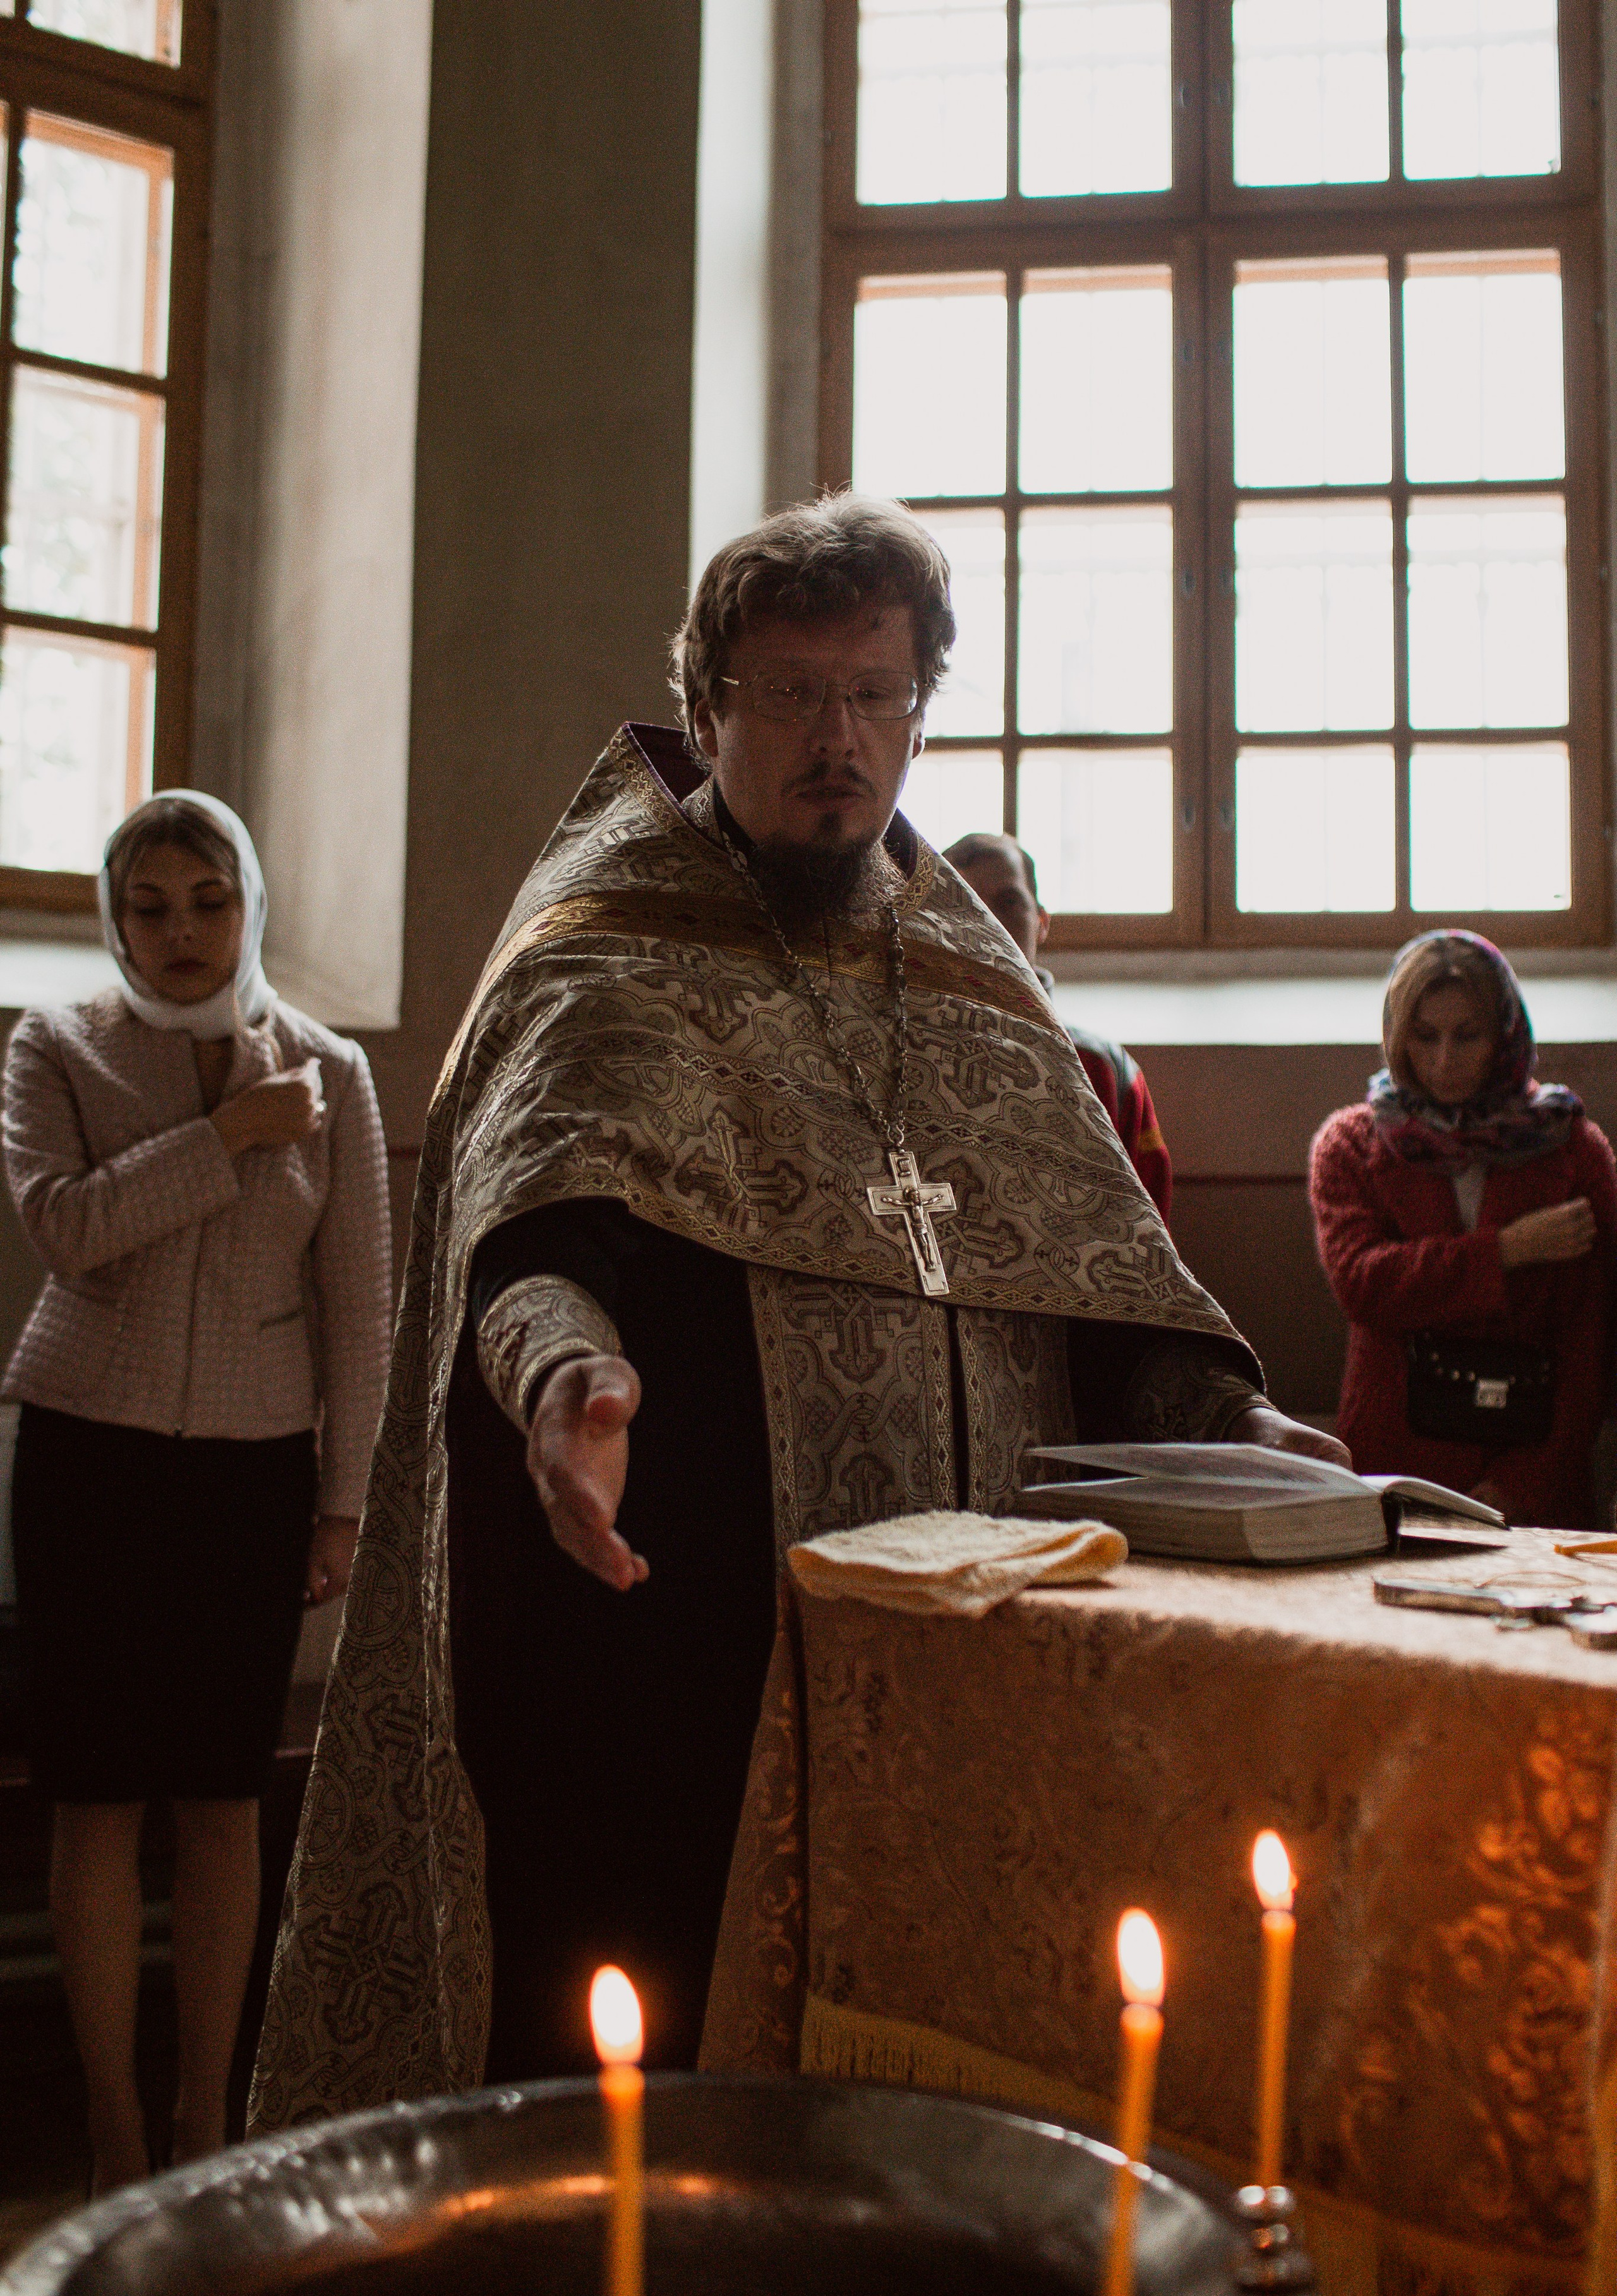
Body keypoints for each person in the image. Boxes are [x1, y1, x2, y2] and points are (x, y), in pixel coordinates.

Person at [251, 495, 1346, 2132]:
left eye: (876, 694)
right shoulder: (598, 953)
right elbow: (535, 1232)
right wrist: (560, 1380)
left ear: (919, 712)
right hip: (668, 1659)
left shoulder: (979, 986)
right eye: (791, 694)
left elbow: (1096, 1271)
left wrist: (1228, 1424)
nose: (838, 736)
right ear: (708, 712)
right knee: (648, 2080)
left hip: (962, 1671)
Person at [2, 792, 392, 2193]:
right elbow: (69, 1232)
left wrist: (342, 1503)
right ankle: (112, 2128)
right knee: (98, 1799)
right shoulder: (55, 1046)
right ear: (114, 920)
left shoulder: (332, 1070)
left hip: (252, 1471)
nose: (178, 934)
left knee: (223, 1805)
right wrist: (226, 1136)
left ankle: (201, 2122)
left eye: (206, 904)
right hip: (86, 1455)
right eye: (149, 908)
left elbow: (359, 1305)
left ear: (249, 911)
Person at [1309, 929, 1616, 1526]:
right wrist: (1503, 1251)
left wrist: (1529, 1482)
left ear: (1503, 1034)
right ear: (1398, 1039)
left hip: (1532, 1463)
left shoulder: (1572, 1147)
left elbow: (1590, 1342)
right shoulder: (1350, 1143)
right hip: (1396, 1461)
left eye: (1467, 1036)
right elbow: (1364, 1284)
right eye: (1424, 1037)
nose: (1445, 1060)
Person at [942, 832, 1172, 1222]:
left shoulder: (1102, 1069)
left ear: (1042, 922)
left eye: (1008, 903)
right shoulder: (904, 1054)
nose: (987, 922)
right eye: (963, 904)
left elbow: (1151, 1230)